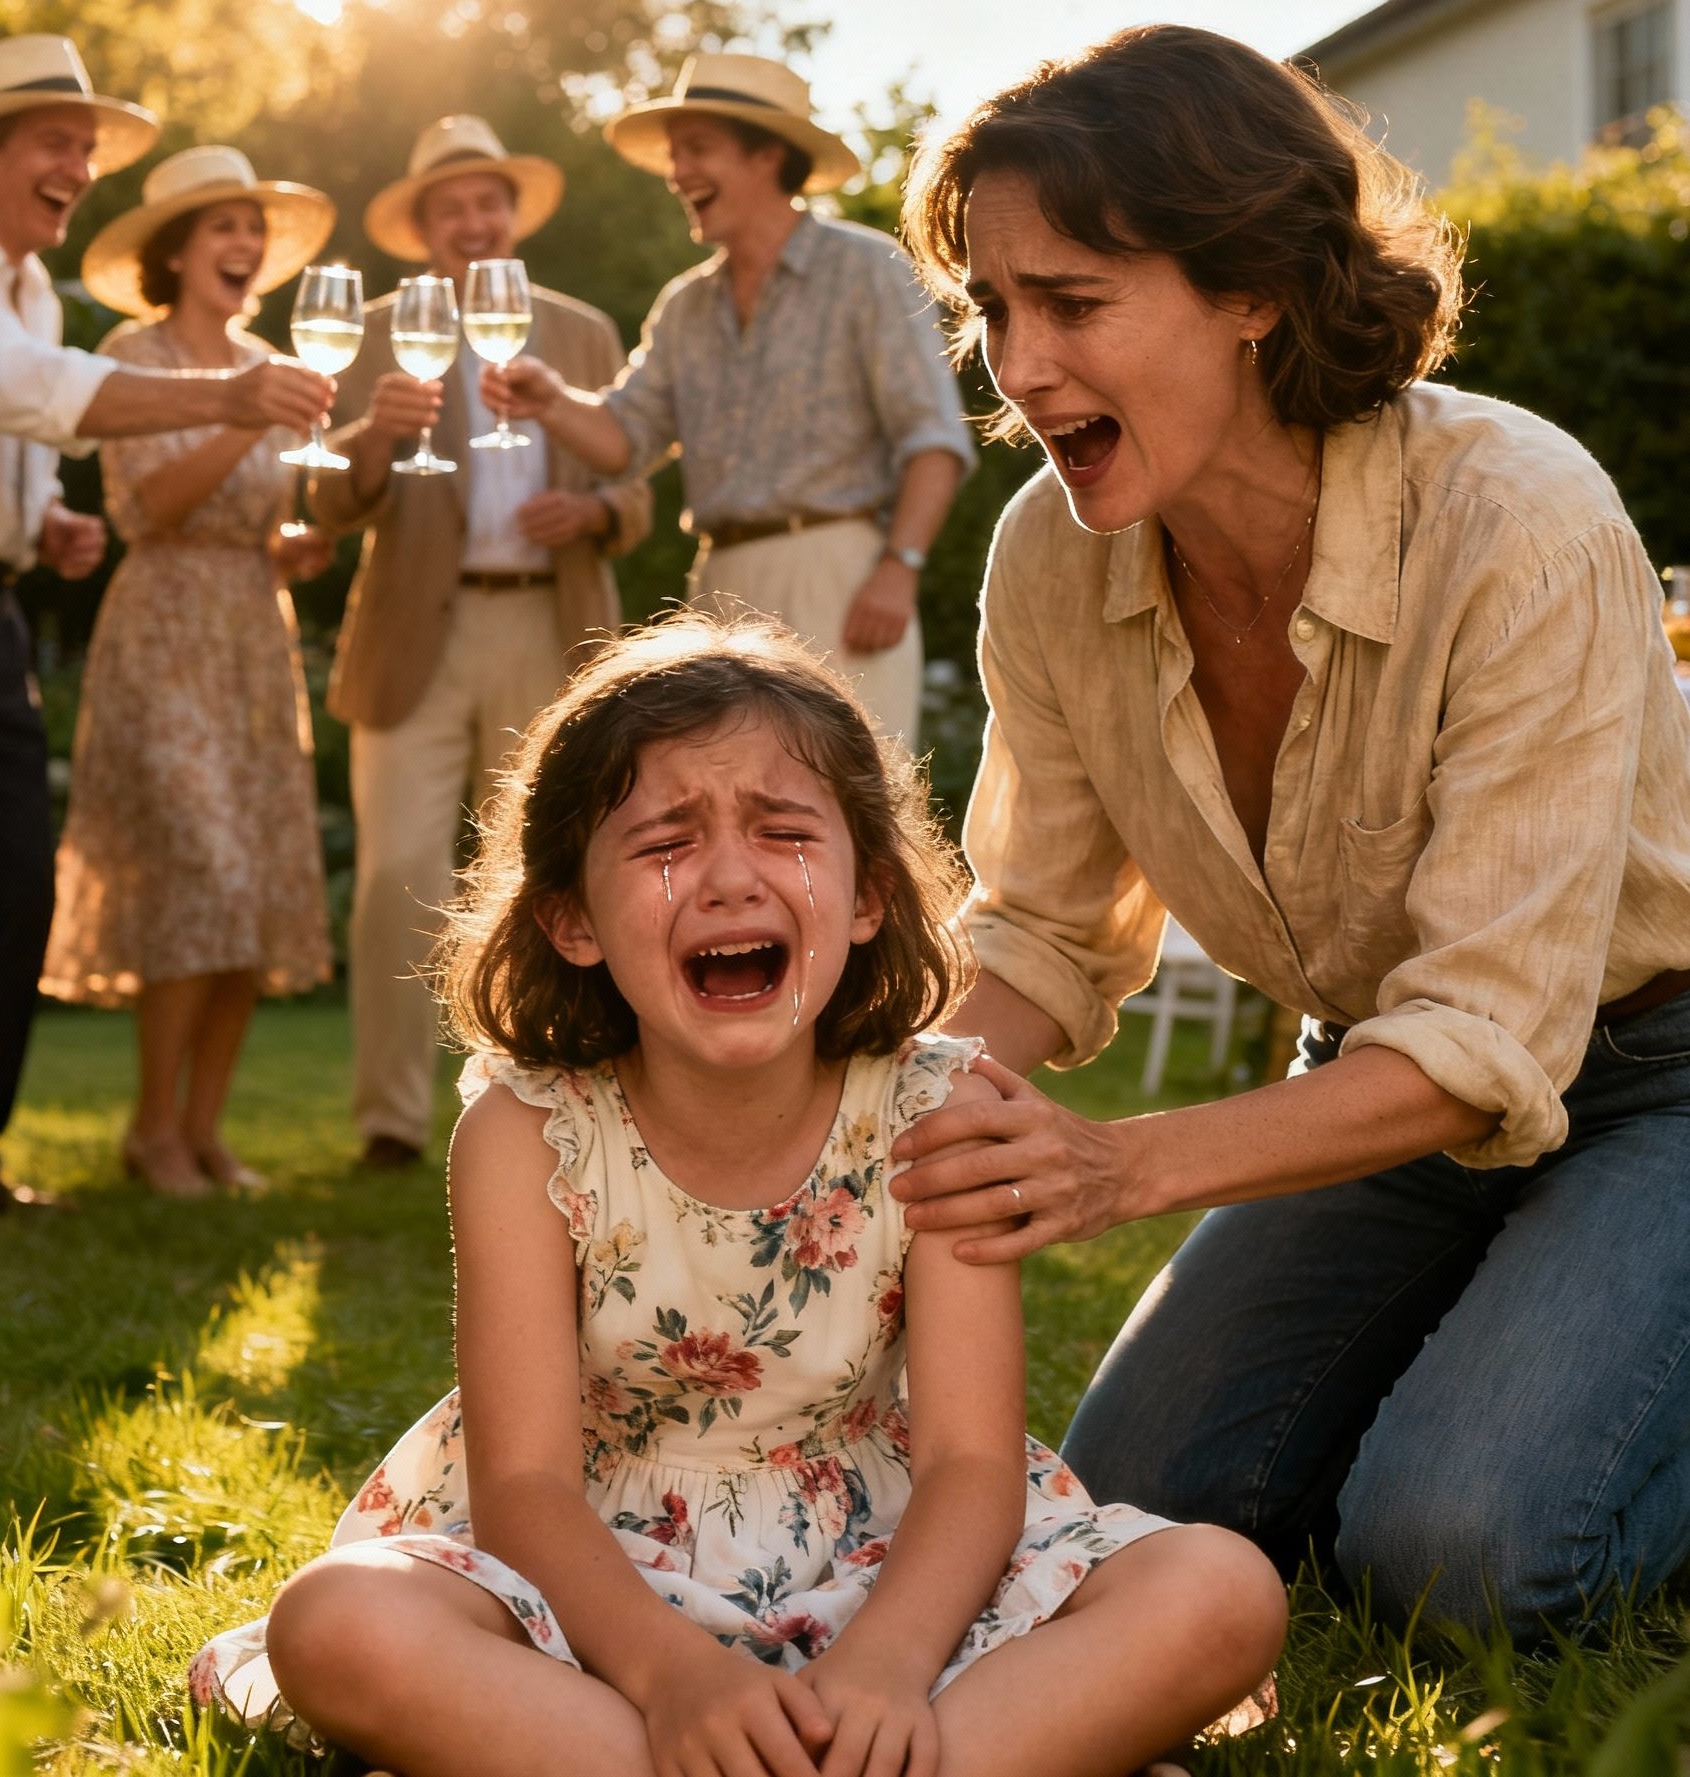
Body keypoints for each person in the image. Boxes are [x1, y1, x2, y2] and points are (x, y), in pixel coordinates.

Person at [881, 23, 1690, 1640]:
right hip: (1376, 1075)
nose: (1012, 364)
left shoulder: (1516, 513)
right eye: (990, 306)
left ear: (1256, 287)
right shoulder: (1045, 555)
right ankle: (1507, 1340)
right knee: (1127, 1522)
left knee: (1459, 1557)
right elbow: (1037, 929)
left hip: (1684, 1071)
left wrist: (1111, 1164)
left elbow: (1488, 1029)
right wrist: (882, 1130)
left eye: (1070, 303)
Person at [188, 617, 1285, 1777]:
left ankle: (849, 1746)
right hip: (599, 1583)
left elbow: (971, 1462)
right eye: (664, 841)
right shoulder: (524, 1132)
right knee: (340, 1621)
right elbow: (521, 1488)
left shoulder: (938, 1106)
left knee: (1217, 1590)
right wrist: (672, 1677)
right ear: (571, 920)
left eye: (783, 830)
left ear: (866, 894)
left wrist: (890, 1662)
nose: (726, 876)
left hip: (894, 1564)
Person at [0, 34, 334, 1241]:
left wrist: (43, 523)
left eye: (86, 147)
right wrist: (230, 397)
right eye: (56, 142)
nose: (78, 166)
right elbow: (23, 390)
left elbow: (11, 434)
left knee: (16, 881)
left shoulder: (29, 287)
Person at [307, 114, 651, 1170]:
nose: (473, 219)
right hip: (418, 624)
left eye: (487, 201)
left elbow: (635, 481)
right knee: (397, 871)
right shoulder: (372, 331)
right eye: (450, 206)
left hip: (552, 626)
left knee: (560, 873)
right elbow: (322, 494)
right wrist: (375, 432)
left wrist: (592, 517)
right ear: (421, 228)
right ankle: (390, 1121)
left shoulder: (583, 330)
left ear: (511, 215)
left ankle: (565, 1094)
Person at [481, 53, 974, 741]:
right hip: (718, 588)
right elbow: (625, 441)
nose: (678, 173)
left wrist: (899, 568)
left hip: (839, 573)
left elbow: (933, 441)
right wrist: (551, 400)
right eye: (675, 154)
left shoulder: (865, 270)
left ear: (768, 155)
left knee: (862, 808)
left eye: (699, 150)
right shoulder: (684, 305)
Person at [41, 145, 340, 1195]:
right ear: (175, 251)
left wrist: (292, 550)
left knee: (250, 888)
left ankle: (207, 1129)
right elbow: (149, 507)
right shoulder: (139, 351)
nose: (245, 244)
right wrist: (240, 410)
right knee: (199, 873)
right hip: (162, 628)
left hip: (252, 632)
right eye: (223, 227)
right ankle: (151, 1126)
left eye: (252, 228)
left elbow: (259, 515)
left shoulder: (270, 359)